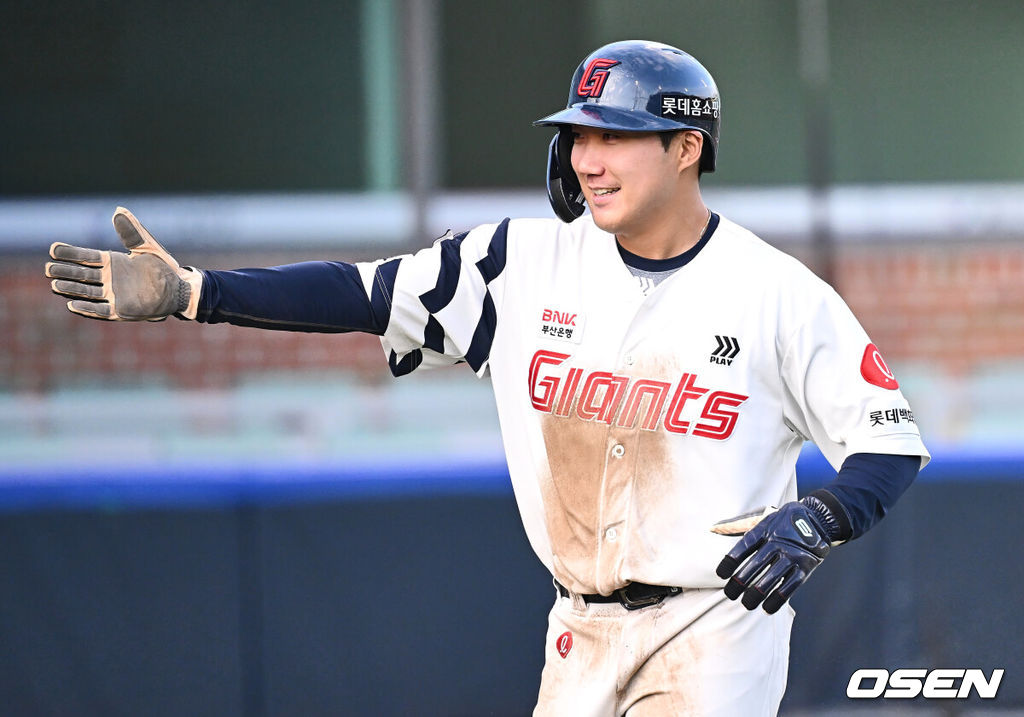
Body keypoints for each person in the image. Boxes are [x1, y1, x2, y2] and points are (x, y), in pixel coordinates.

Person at [45, 40, 928, 716]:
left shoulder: (775, 291)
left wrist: (822, 515)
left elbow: (886, 442)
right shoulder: (518, 262)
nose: (587, 157)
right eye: (579, 134)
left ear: (687, 146)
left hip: (715, 624)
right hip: (577, 625)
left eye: (615, 136)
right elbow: (362, 291)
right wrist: (197, 293)